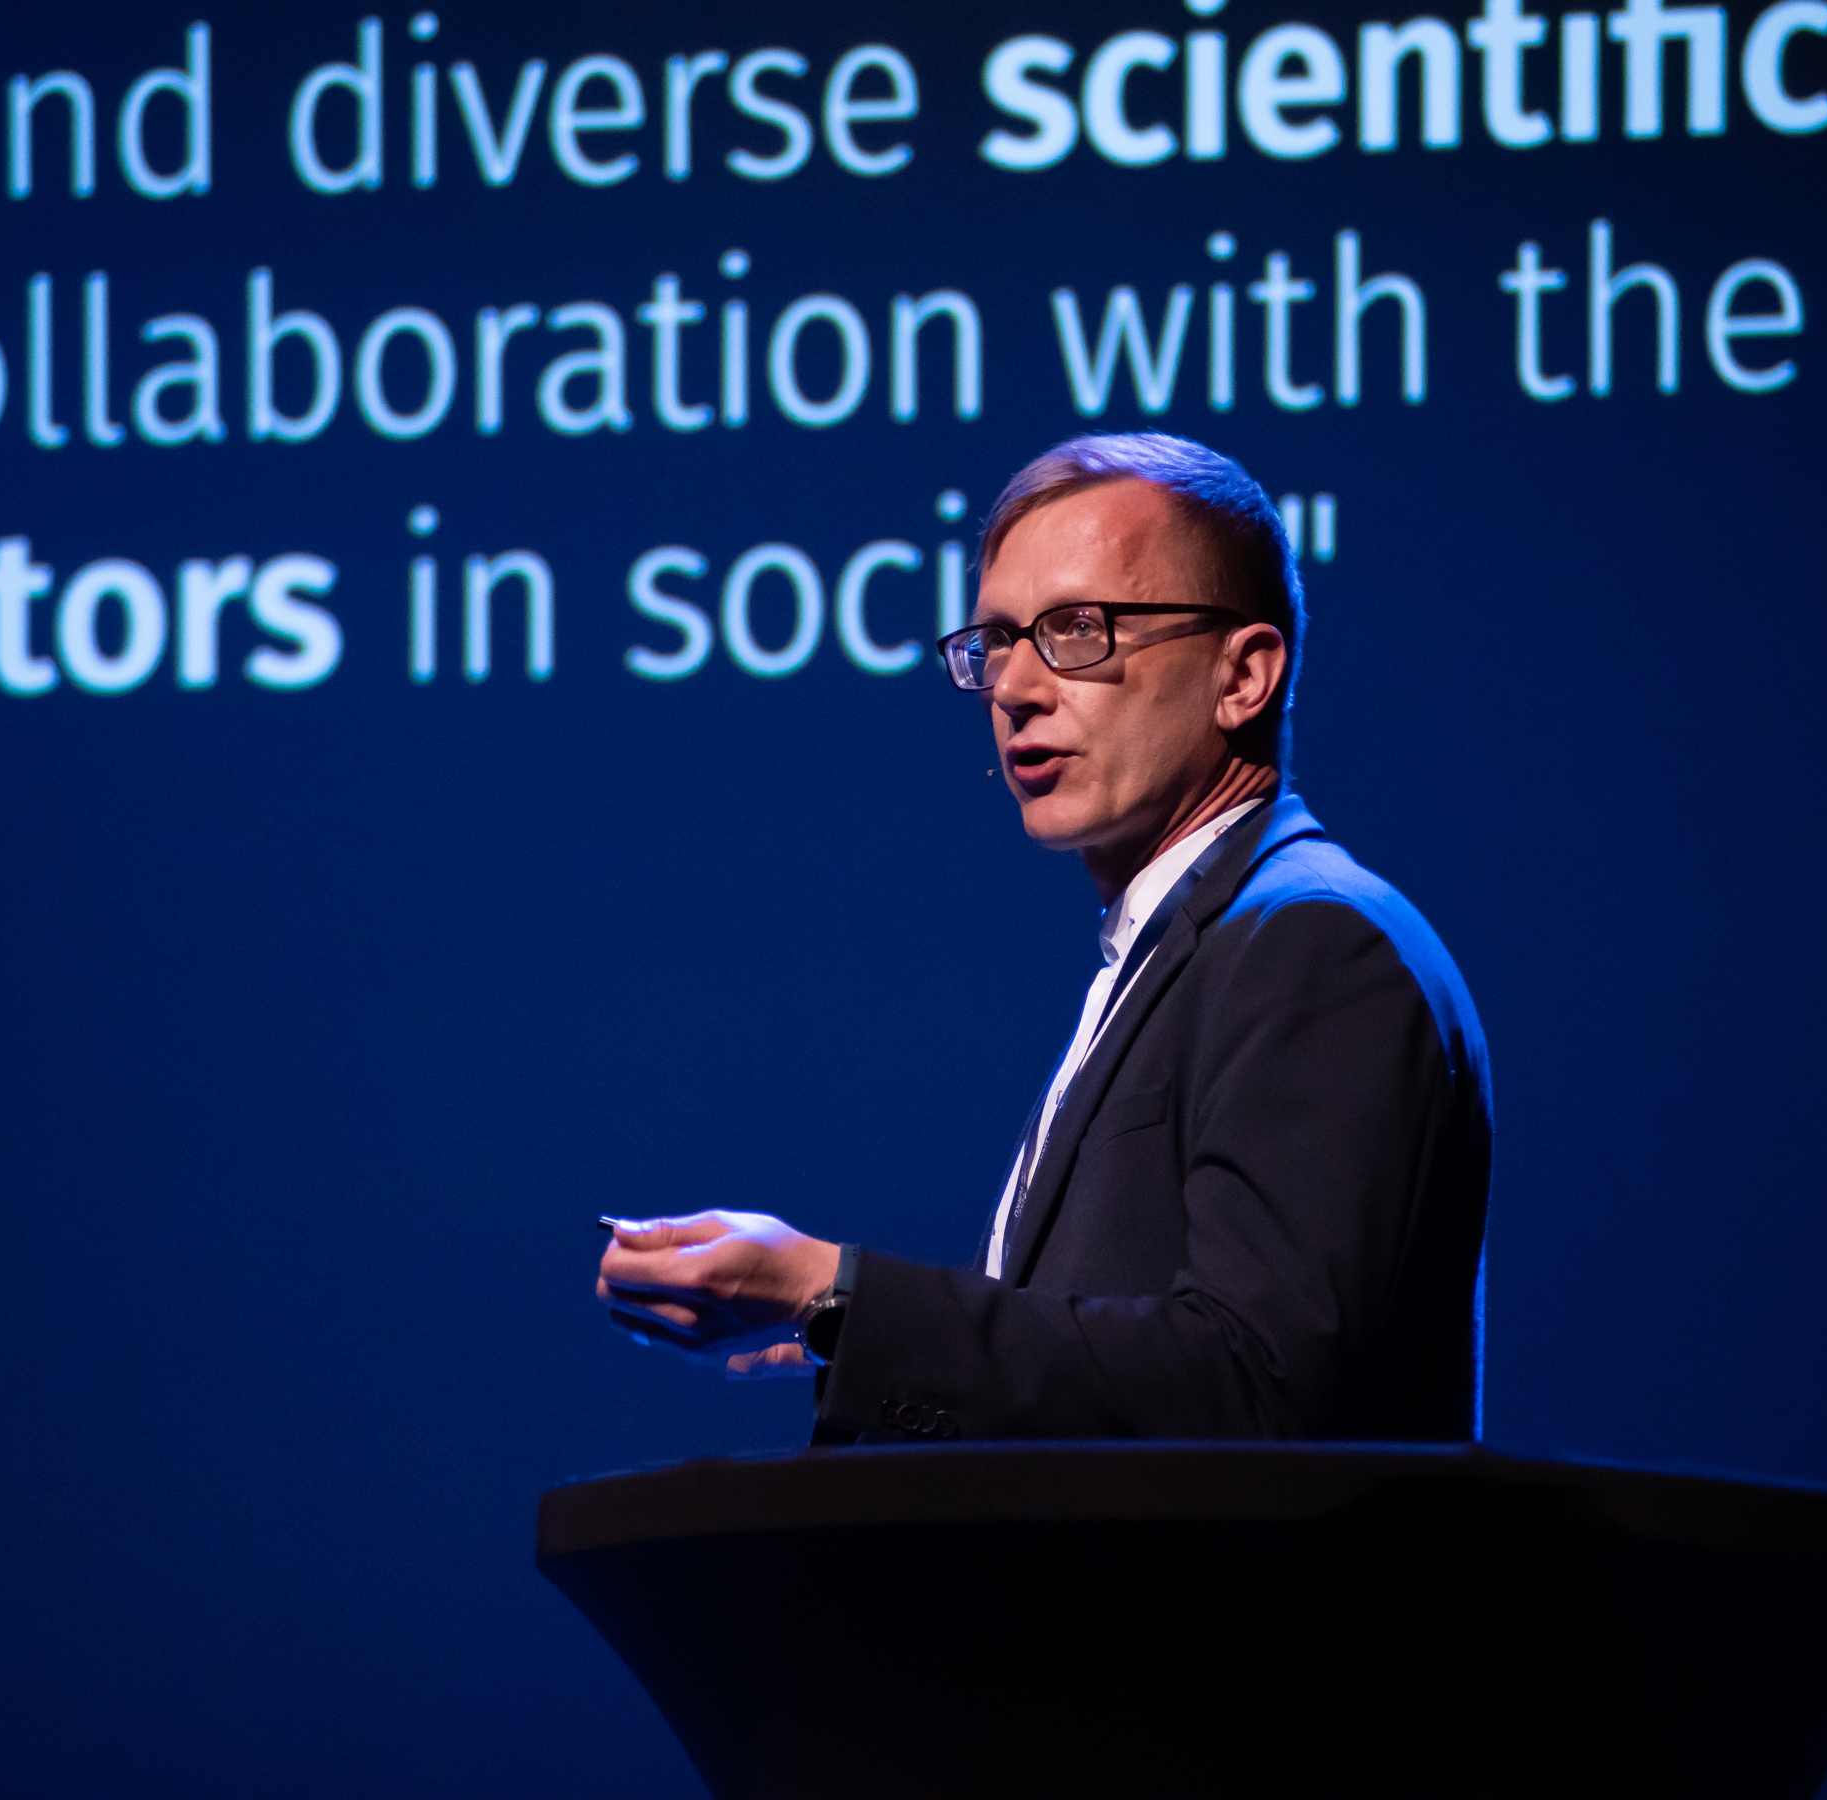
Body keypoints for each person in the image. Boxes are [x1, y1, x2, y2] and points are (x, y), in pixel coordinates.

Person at [596, 432, 1492, 1442]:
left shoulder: (1316, 948)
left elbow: (1257, 1385)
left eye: (1077, 629)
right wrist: (839, 1335)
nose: (1015, 687)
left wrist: (833, 1292)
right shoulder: (1172, 949)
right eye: (997, 640)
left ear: (1242, 676)